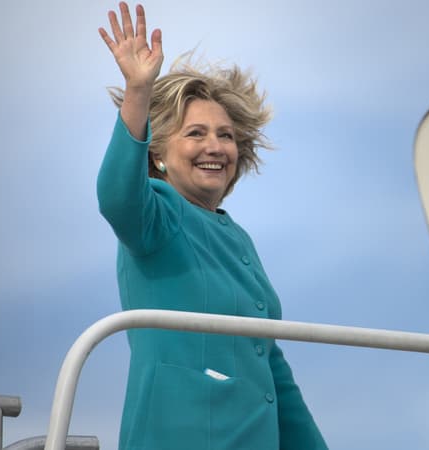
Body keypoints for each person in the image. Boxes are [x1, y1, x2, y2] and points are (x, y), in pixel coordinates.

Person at [96, 3, 328, 449]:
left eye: (225, 135)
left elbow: (271, 368)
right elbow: (117, 197)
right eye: (196, 133)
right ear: (158, 153)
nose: (215, 146)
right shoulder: (156, 215)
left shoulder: (239, 239)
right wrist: (138, 93)